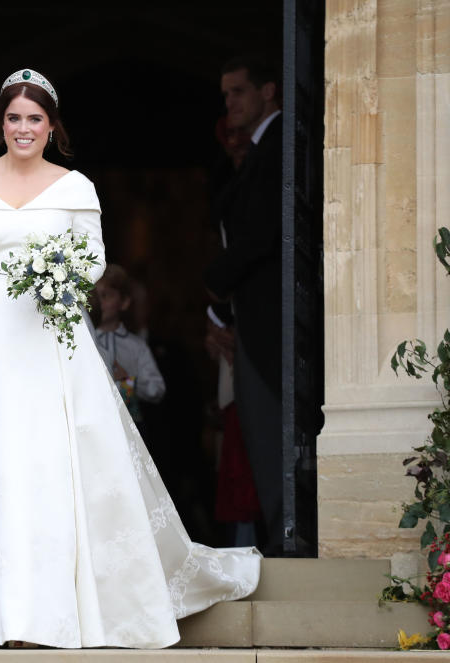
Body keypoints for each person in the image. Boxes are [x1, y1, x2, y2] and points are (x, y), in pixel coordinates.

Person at [0, 69, 261, 649]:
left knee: (48, 467)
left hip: (48, 335)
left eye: (34, 119)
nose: (23, 128)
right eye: (14, 118)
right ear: (2, 124)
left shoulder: (75, 187)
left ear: (51, 126)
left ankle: (46, 613)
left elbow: (92, 263)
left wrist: (58, 276)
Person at [204, 54, 283, 555]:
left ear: (268, 91)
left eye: (238, 91)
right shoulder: (261, 150)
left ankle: (284, 547)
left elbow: (259, 233)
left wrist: (214, 288)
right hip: (251, 316)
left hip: (273, 321)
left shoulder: (277, 148)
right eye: (225, 93)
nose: (229, 103)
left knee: (272, 439)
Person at [91, 264, 165, 425]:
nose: (100, 303)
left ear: (124, 302)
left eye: (106, 296)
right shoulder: (88, 343)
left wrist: (129, 381)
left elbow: (157, 389)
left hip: (129, 425)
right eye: (96, 297)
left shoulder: (136, 346)